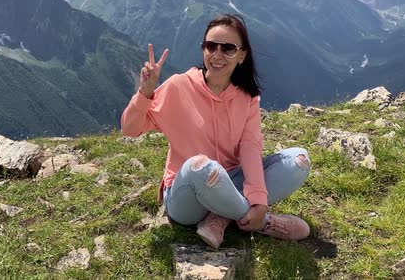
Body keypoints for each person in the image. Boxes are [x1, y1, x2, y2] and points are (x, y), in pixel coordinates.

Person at [121, 13, 311, 249]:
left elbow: (250, 148)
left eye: (228, 48)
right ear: (203, 50)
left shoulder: (247, 97)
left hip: (230, 181)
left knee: (299, 160)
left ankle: (221, 216)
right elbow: (130, 129)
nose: (217, 54)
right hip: (187, 194)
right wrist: (145, 94)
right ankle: (263, 223)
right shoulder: (179, 86)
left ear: (241, 55)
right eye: (211, 46)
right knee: (200, 166)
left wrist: (260, 201)